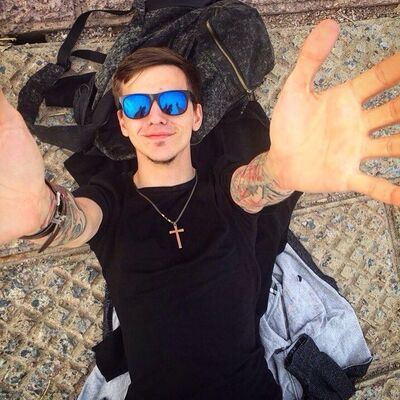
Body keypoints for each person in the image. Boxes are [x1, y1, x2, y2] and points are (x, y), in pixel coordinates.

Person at [0, 19, 399, 399]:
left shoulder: (225, 184)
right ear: (123, 123)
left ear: (196, 115)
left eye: (173, 102)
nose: (156, 116)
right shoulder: (108, 198)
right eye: (137, 106)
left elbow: (256, 187)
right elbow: (77, 220)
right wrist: (42, 213)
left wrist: (281, 170)